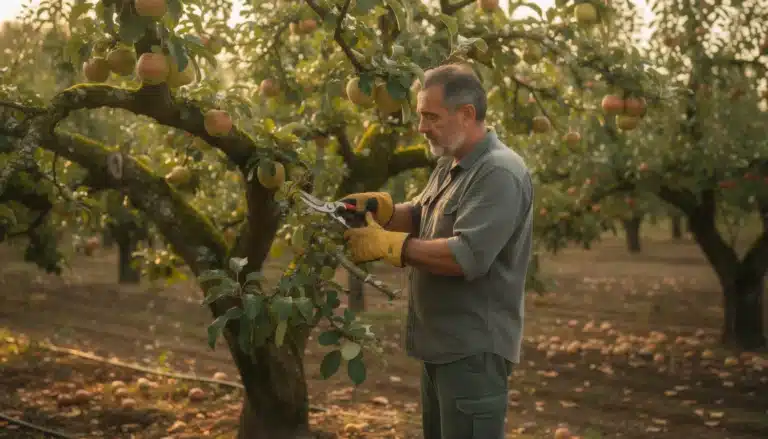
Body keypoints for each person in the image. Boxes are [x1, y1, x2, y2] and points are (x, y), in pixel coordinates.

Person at [340, 63, 534, 439]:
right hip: (443, 346)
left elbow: (466, 256)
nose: (421, 127)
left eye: (431, 116)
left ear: (466, 114)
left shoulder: (499, 173)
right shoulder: (452, 162)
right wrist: (382, 211)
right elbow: (421, 214)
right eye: (420, 115)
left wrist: (392, 246)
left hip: (473, 351)